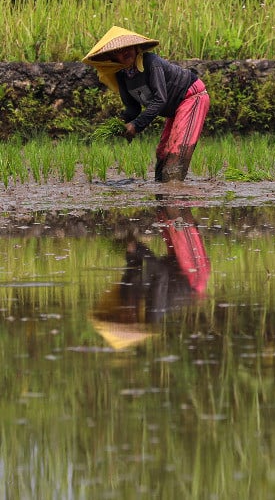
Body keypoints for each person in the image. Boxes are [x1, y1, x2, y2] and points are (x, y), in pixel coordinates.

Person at [83, 26, 210, 182]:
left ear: (136, 47)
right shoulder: (122, 75)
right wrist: (121, 123)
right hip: (174, 107)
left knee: (177, 151)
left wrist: (136, 125)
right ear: (112, 58)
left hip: (191, 97)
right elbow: (132, 108)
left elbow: (160, 99)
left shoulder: (151, 63)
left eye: (127, 48)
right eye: (117, 51)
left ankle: (175, 193)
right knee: (162, 152)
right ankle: (162, 191)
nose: (124, 53)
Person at [90, 206, 211, 350]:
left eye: (117, 316)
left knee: (164, 210)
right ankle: (177, 189)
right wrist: (139, 249)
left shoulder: (126, 296)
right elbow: (161, 274)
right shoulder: (151, 313)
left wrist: (131, 250)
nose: (123, 315)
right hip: (192, 275)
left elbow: (134, 267)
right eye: (123, 320)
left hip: (174, 265)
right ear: (134, 323)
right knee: (178, 218)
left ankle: (168, 188)